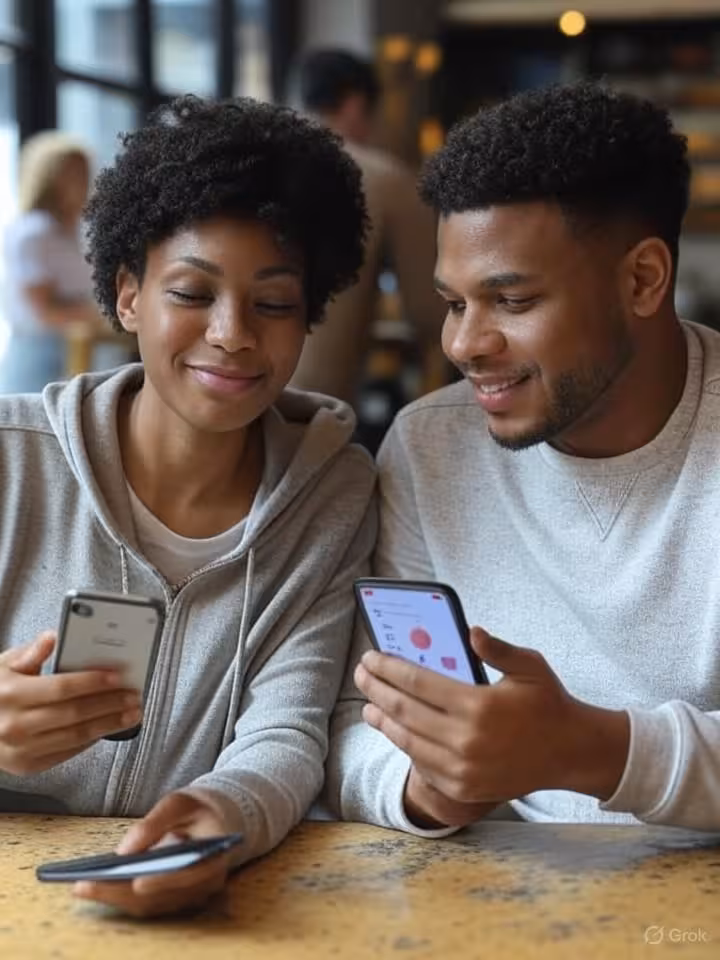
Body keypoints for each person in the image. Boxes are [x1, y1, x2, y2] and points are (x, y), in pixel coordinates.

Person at [0, 94, 375, 916]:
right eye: (192, 293)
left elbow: (290, 728)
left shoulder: (335, 494)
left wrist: (217, 821)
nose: (234, 332)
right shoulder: (12, 460)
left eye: (273, 303)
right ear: (128, 296)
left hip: (201, 904)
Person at [323, 81, 720, 835]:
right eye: (453, 302)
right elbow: (356, 718)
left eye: (511, 301)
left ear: (642, 279)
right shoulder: (431, 445)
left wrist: (590, 751)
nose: (465, 345)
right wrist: (425, 788)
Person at [290, 48, 445, 407]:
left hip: (226, 406)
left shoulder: (252, 166)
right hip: (314, 417)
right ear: (358, 104)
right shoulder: (382, 179)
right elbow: (432, 315)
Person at [1, 132, 103, 392]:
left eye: (85, 173)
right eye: (73, 174)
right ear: (49, 178)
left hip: (79, 348)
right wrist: (102, 317)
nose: (84, 182)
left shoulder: (79, 233)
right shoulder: (33, 232)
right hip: (39, 353)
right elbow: (44, 311)